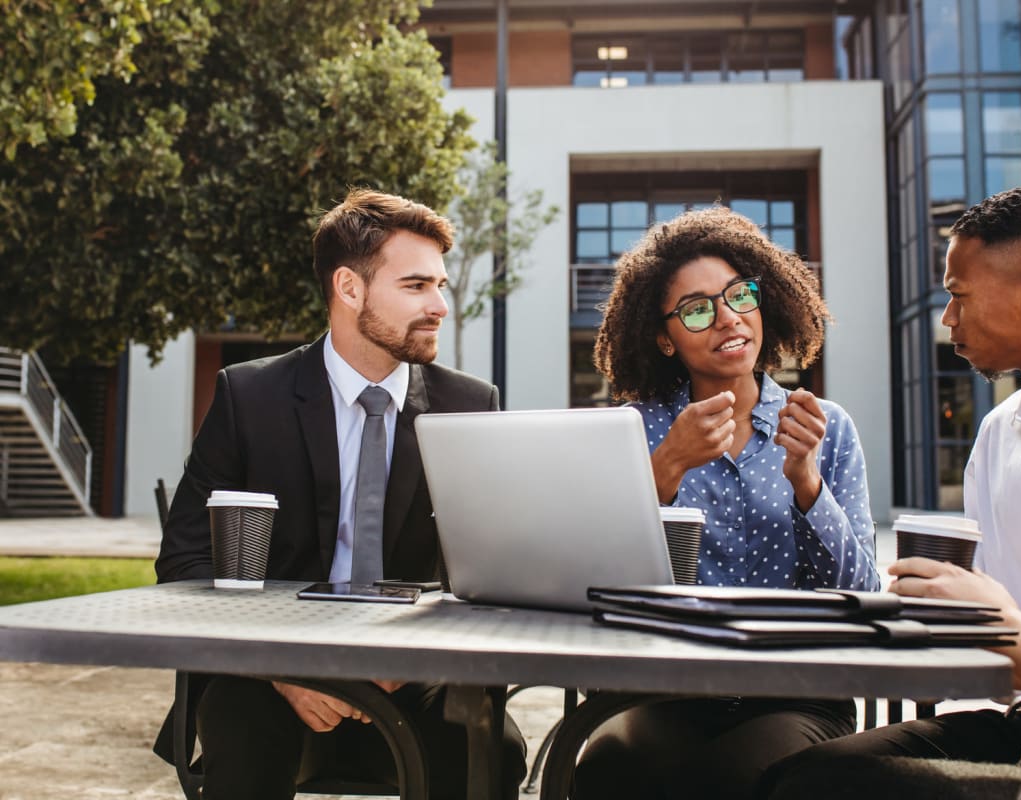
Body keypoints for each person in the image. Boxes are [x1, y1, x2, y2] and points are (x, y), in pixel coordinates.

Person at [756, 184, 1021, 799]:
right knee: (803, 780)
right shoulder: (999, 435)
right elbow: (989, 628)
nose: (948, 319)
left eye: (957, 296)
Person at [153, 189, 527, 800]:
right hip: (271, 677)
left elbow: (495, 573)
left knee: (494, 752)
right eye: (415, 287)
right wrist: (286, 671)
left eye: (440, 285)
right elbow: (186, 561)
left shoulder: (470, 404)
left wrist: (416, 659)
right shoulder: (250, 398)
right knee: (244, 736)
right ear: (349, 289)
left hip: (416, 679)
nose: (439, 306)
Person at [573, 205, 880, 800]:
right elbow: (590, 578)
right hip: (662, 688)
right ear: (663, 336)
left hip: (795, 690)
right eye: (696, 309)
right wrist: (666, 466)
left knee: (736, 777)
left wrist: (806, 483)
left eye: (739, 295)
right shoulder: (632, 430)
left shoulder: (825, 427)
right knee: (604, 770)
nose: (727, 319)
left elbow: (864, 593)